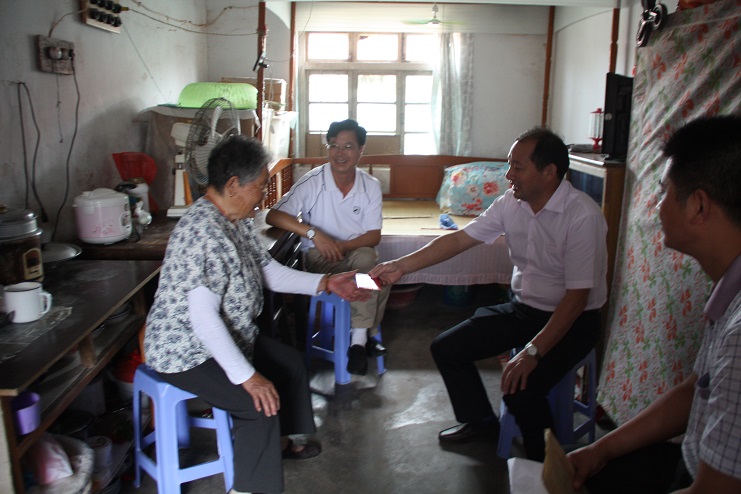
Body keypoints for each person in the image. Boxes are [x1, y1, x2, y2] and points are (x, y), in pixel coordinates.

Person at [144, 135, 370, 494]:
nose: (264, 195)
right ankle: (247, 488)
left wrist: (326, 282)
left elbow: (267, 271)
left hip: (230, 336)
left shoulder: (234, 220)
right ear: (234, 184)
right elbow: (204, 321)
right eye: (261, 186)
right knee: (257, 404)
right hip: (186, 352)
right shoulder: (203, 232)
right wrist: (248, 378)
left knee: (289, 363)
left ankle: (283, 442)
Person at [370, 127, 608, 461]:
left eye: (517, 167)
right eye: (509, 165)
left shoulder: (582, 216)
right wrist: (401, 266)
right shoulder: (511, 203)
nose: (509, 175)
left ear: (549, 172)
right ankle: (481, 422)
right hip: (524, 310)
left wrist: (533, 351)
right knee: (447, 348)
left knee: (521, 388)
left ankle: (548, 466)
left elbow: (577, 297)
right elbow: (458, 239)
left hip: (574, 321)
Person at [567, 115, 741, 494]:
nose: (657, 206)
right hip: (692, 458)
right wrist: (599, 449)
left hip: (702, 480)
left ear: (698, 206)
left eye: (663, 192)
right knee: (587, 469)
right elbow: (697, 390)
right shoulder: (728, 292)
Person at [266, 119, 392, 376]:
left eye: (348, 146)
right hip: (320, 258)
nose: (340, 153)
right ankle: (365, 336)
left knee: (374, 271)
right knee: (370, 277)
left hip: (356, 254)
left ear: (361, 150)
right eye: (334, 145)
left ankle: (357, 342)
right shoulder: (313, 181)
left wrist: (343, 245)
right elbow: (273, 216)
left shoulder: (370, 185)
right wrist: (314, 234)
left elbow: (373, 235)